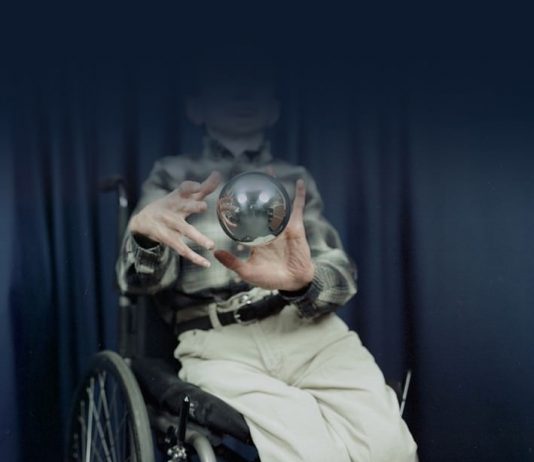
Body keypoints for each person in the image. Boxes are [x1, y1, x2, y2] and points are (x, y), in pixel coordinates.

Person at [117, 56, 418, 462]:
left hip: (308, 333)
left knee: (392, 448)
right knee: (311, 452)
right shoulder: (173, 176)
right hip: (219, 344)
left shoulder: (295, 180)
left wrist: (304, 281)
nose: (242, 92)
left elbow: (341, 275)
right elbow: (138, 283)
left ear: (274, 109)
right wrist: (144, 238)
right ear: (195, 108)